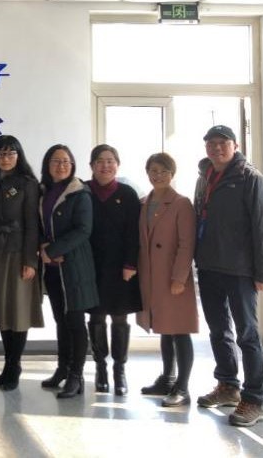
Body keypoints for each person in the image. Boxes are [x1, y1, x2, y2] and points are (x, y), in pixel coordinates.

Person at [193, 125, 263, 427]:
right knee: (218, 331)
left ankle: (254, 400)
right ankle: (228, 385)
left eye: (223, 142)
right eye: (211, 143)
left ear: (235, 145)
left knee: (247, 334)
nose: (217, 147)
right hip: (209, 267)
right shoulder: (204, 177)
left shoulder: (251, 179)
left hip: (240, 270)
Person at [0, 135, 43, 391]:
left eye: (10, 153)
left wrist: (30, 260)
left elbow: (32, 225)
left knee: (18, 311)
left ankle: (14, 366)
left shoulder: (28, 184)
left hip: (18, 253)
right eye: (0, 154)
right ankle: (7, 363)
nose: (5, 159)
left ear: (18, 155)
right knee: (1, 310)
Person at [137, 152, 198, 407]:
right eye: (153, 171)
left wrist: (180, 278)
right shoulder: (143, 202)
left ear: (172, 174)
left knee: (180, 330)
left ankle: (182, 387)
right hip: (151, 276)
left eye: (163, 171)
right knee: (164, 327)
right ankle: (167, 378)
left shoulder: (181, 203)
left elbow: (187, 244)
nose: (158, 175)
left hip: (173, 277)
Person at [38, 144, 98, 399]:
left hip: (74, 265)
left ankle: (76, 375)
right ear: (47, 165)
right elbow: (40, 226)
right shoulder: (44, 192)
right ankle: (62, 369)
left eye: (66, 161)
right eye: (55, 161)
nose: (61, 165)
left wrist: (53, 250)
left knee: (74, 321)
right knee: (60, 321)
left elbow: (83, 230)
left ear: (72, 165)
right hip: (52, 268)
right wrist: (43, 248)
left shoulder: (79, 193)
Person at [86, 144, 142, 396]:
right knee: (96, 317)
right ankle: (100, 368)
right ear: (92, 165)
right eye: (100, 161)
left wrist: (131, 263)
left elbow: (134, 233)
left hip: (121, 268)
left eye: (110, 161)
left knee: (120, 317)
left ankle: (120, 369)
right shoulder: (83, 191)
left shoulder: (127, 193)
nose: (105, 165)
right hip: (91, 266)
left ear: (117, 165)